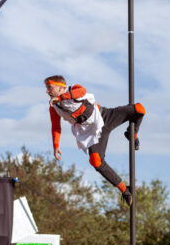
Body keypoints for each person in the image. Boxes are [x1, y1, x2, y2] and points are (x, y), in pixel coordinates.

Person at [45, 75, 145, 205]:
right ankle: (125, 190)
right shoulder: (54, 107)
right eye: (47, 88)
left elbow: (81, 92)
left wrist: (59, 98)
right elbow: (56, 127)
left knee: (139, 109)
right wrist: (56, 145)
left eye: (50, 88)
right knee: (96, 161)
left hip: (105, 116)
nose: (47, 91)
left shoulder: (73, 89)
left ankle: (132, 135)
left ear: (60, 87)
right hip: (91, 132)